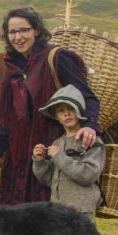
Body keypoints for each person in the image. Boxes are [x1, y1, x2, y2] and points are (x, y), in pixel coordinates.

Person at [0, 7, 100, 206]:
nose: (18, 37)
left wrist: (90, 126)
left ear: (36, 30)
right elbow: (9, 118)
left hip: (49, 149)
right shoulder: (12, 67)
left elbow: (87, 97)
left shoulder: (57, 58)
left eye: (24, 30)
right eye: (12, 32)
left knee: (45, 220)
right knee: (12, 219)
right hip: (18, 155)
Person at [32, 85, 105, 217]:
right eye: (61, 111)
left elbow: (89, 175)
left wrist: (58, 156)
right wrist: (39, 162)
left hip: (81, 209)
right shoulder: (57, 143)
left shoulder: (90, 140)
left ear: (79, 111)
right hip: (57, 209)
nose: (67, 113)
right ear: (56, 117)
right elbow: (50, 180)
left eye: (71, 108)